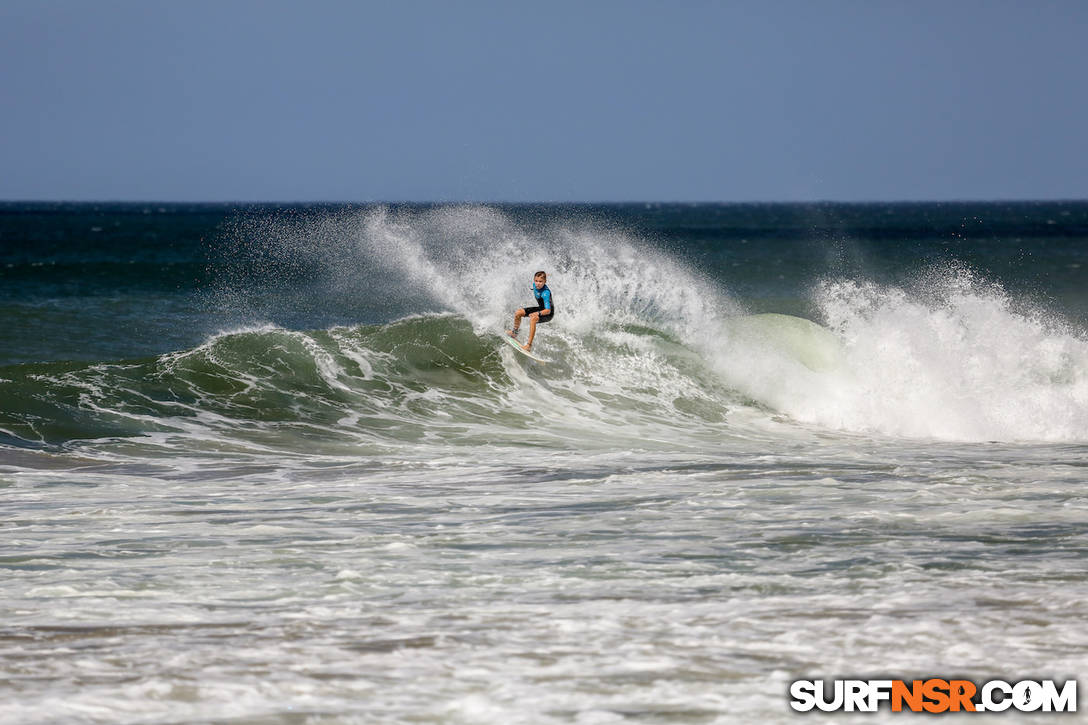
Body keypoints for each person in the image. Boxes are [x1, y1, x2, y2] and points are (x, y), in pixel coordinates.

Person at [507, 270, 554, 352]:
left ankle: (528, 345)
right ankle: (514, 332)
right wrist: (547, 274)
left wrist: (537, 313)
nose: (538, 283)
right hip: (540, 308)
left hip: (547, 314)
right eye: (536, 281)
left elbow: (548, 310)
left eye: (540, 281)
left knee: (533, 319)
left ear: (545, 282)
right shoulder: (535, 285)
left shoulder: (546, 293)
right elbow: (541, 277)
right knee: (518, 313)